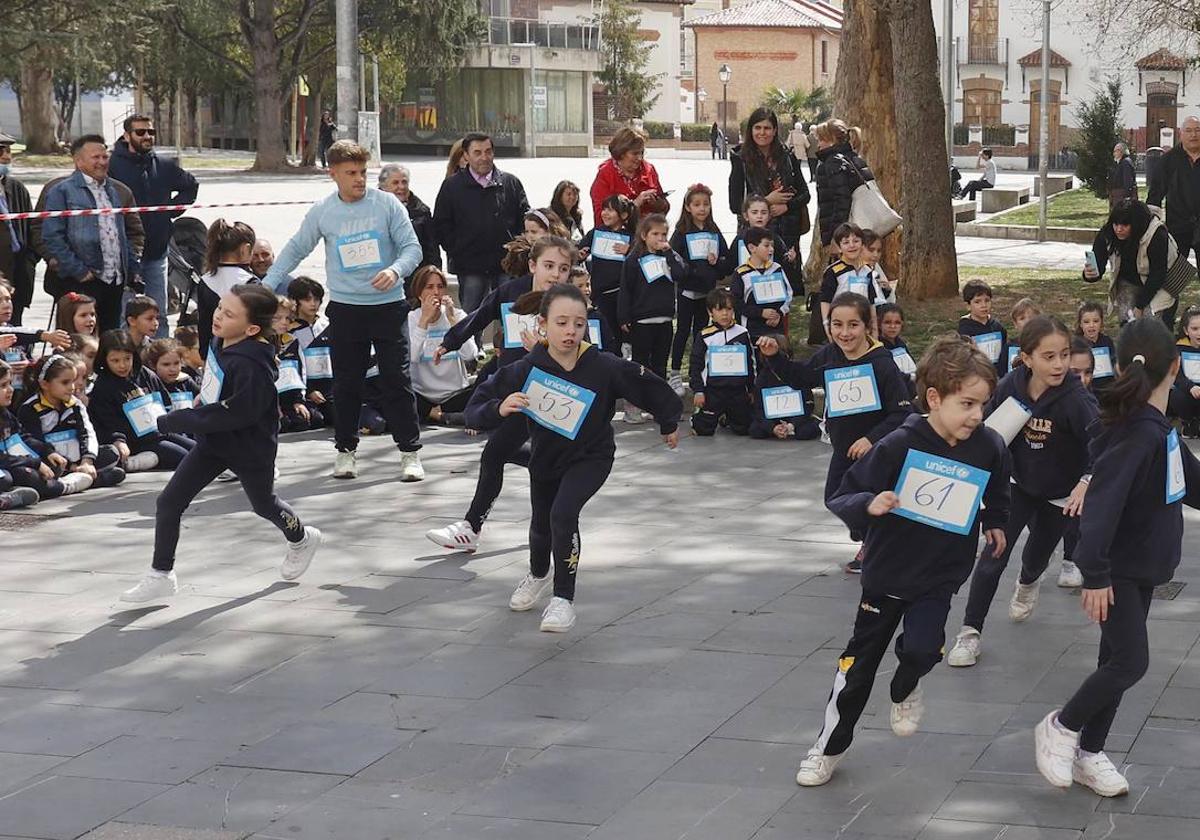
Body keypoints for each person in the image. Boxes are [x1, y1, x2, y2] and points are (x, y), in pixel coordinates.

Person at [796, 336, 1010, 786]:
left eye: (983, 405)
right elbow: (843, 494)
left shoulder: (988, 445)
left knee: (921, 648)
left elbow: (996, 491)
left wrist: (994, 521)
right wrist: (870, 503)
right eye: (967, 403)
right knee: (857, 670)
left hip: (941, 575)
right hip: (887, 574)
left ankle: (906, 684)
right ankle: (827, 747)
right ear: (934, 398)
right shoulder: (898, 444)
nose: (977, 414)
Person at [1034, 317, 1200, 798]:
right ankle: (1061, 727)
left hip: (1142, 565)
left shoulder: (1157, 430)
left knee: (1115, 660)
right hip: (1119, 570)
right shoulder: (1139, 433)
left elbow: (1190, 484)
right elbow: (1101, 506)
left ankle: (1090, 753)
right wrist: (1095, 574)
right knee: (1130, 662)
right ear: (1176, 367)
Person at [464, 283, 681, 632]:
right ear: (543, 324)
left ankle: (563, 599)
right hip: (546, 459)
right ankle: (538, 574)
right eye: (562, 322)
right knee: (540, 526)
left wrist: (668, 421)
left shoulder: (603, 366)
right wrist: (499, 408)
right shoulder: (525, 369)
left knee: (563, 516)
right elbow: (476, 406)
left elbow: (646, 384)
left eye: (578, 324)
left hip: (592, 457)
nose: (570, 331)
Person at [120, 284, 321, 603]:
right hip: (214, 442)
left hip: (250, 447)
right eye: (219, 308)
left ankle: (301, 537)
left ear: (252, 328)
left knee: (264, 504)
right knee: (169, 502)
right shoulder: (219, 338)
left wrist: (180, 420)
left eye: (229, 314)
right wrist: (204, 395)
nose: (218, 317)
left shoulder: (253, 365)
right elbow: (214, 379)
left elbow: (237, 414)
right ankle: (161, 573)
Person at [263, 140, 425, 481]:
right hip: (347, 309)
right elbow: (296, 248)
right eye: (350, 173)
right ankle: (345, 451)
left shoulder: (387, 205)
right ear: (332, 173)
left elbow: (413, 248)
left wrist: (395, 270)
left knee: (397, 379)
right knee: (347, 384)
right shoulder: (324, 211)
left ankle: (409, 452)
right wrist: (265, 285)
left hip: (388, 306)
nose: (359, 179)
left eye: (363, 172)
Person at [946, 316, 1099, 668]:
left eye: (1063, 354)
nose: (1059, 364)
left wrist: (1085, 482)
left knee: (1036, 556)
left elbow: (1101, 446)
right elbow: (983, 424)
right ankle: (970, 632)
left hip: (1059, 493)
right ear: (1027, 358)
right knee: (993, 555)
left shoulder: (1076, 400)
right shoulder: (1011, 384)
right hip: (1014, 484)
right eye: (1049, 356)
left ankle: (1029, 581)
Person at [424, 236, 575, 554]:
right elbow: (479, 317)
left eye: (563, 269)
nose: (555, 274)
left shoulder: (569, 305)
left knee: (495, 454)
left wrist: (546, 352)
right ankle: (548, 494)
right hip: (512, 388)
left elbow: (582, 351)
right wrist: (449, 342)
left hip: (549, 392)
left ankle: (472, 528)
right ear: (533, 265)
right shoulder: (510, 293)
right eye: (549, 266)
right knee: (508, 453)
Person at [757, 293, 913, 573]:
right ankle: (873, 536)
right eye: (837, 325)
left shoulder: (882, 362)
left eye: (853, 325)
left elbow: (901, 413)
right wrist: (774, 357)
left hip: (875, 452)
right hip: (843, 447)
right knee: (835, 499)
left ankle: (873, 546)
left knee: (865, 499)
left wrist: (871, 439)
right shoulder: (831, 354)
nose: (844, 333)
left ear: (867, 326)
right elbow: (802, 376)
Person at [38, 135, 145, 331]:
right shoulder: (61, 191)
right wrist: (79, 271)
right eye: (96, 157)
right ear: (78, 161)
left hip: (114, 280)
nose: (102, 162)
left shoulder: (116, 190)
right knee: (78, 340)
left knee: (110, 337)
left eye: (105, 157)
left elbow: (132, 232)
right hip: (81, 280)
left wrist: (131, 266)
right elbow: (52, 236)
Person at [108, 113, 199, 338]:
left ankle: (160, 357)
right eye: (140, 132)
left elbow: (191, 186)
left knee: (158, 314)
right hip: (123, 255)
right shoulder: (111, 166)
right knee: (124, 315)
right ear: (127, 135)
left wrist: (170, 211)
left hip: (157, 252)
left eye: (151, 131)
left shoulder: (165, 165)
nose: (147, 136)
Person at [433, 132, 530, 325]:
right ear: (466, 156)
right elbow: (441, 224)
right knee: (471, 316)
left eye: (488, 151)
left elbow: (525, 218)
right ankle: (471, 353)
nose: (484, 157)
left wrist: (518, 250)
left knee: (511, 315)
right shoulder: (452, 186)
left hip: (507, 265)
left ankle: (506, 353)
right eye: (477, 152)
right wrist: (457, 249)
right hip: (470, 266)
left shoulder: (510, 182)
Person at [86, 328, 194, 472]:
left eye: (127, 359)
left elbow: (163, 399)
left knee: (197, 450)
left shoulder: (144, 374)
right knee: (183, 458)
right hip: (135, 442)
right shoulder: (103, 386)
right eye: (115, 360)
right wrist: (119, 440)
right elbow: (107, 422)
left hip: (161, 432)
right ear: (105, 359)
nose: (122, 365)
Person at [18, 354, 126, 494]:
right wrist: (72, 466)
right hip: (55, 460)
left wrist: (87, 460)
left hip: (79, 459)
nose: (72, 387)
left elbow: (87, 432)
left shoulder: (75, 405)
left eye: (73, 381)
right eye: (65, 382)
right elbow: (35, 443)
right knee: (45, 468)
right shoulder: (30, 408)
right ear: (45, 384)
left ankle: (79, 479)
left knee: (111, 452)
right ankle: (88, 480)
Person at [617, 213, 687, 421]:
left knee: (659, 366)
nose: (660, 238)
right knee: (640, 366)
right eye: (655, 234)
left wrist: (669, 253)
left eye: (664, 234)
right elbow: (626, 289)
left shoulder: (668, 256)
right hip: (642, 321)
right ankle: (634, 407)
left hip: (664, 320)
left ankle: (660, 408)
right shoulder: (634, 260)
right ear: (644, 235)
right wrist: (624, 317)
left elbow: (681, 274)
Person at [729, 108, 811, 265]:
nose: (762, 133)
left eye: (767, 128)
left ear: (774, 131)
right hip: (756, 236)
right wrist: (766, 201)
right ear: (751, 130)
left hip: (788, 232)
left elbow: (805, 194)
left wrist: (787, 206)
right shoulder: (740, 160)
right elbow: (734, 205)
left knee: (790, 281)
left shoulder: (788, 156)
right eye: (757, 128)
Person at [669, 183, 729, 394]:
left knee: (701, 333)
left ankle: (698, 371)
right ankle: (675, 372)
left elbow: (726, 259)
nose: (702, 208)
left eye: (706, 204)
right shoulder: (681, 232)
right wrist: (689, 271)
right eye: (697, 204)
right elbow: (673, 259)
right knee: (682, 331)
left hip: (707, 292)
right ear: (688, 207)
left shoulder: (714, 231)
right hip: (687, 291)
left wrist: (717, 262)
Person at [1084, 199, 1180, 328]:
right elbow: (1098, 265)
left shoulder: (1157, 234)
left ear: (1136, 224)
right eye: (1116, 224)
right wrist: (1090, 274)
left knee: (1152, 322)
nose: (1118, 229)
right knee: (1128, 320)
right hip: (1128, 280)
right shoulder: (1108, 233)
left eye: (1125, 225)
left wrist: (1140, 305)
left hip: (1164, 280)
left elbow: (1158, 274)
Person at [407, 265, 476, 425]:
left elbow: (470, 355)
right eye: (429, 287)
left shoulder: (457, 315)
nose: (436, 292)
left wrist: (454, 323)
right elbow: (413, 357)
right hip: (421, 395)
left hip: (454, 394)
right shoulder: (411, 318)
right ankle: (436, 413)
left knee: (484, 387)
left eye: (440, 287)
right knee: (394, 389)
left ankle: (433, 414)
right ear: (419, 293)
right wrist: (424, 321)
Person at [690, 288, 754, 436]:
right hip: (713, 391)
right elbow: (696, 365)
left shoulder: (742, 333)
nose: (725, 314)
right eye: (719, 310)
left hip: (737, 390)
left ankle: (728, 418)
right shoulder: (705, 335)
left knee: (745, 428)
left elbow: (751, 363)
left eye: (728, 309)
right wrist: (698, 391)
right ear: (710, 312)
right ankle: (699, 418)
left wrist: (751, 388)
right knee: (702, 430)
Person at [0, 359, 64, 505]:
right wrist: (34, 463)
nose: (10, 390)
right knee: (6, 478)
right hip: (6, 466)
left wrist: (47, 451)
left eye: (10, 383)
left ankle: (14, 493)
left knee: (51, 464)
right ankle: (63, 487)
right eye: (3, 385)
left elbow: (23, 437)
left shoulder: (5, 413)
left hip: (10, 462)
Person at [579, 194, 637, 349]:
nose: (604, 213)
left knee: (625, 335)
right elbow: (579, 252)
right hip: (600, 295)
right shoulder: (596, 232)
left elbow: (642, 259)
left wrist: (630, 250)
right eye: (604, 209)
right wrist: (580, 254)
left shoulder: (632, 236)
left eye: (610, 210)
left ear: (624, 215)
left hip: (622, 295)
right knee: (606, 335)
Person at [1147, 115, 1200, 272]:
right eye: (1189, 131)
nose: (1193, 135)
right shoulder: (1168, 160)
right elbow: (1155, 194)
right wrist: (1151, 225)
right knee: (1174, 279)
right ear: (1181, 134)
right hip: (1177, 227)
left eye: (1198, 130)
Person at [813, 119, 875, 253]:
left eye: (821, 140)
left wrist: (837, 238)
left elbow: (841, 201)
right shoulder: (854, 157)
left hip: (847, 237)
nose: (818, 145)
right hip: (863, 230)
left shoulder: (833, 162)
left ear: (832, 140)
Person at [197, 220, 257, 355]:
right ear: (245, 249)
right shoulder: (250, 282)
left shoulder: (205, 280)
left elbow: (204, 324)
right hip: (245, 352)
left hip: (214, 353)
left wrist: (204, 354)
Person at [589, 127, 669, 228]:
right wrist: (635, 205)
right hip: (617, 236)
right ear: (621, 153)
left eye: (642, 153)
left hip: (647, 234)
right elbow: (602, 218)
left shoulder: (649, 170)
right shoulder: (605, 175)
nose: (639, 158)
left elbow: (664, 208)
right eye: (635, 153)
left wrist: (657, 203)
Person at [378, 163, 440, 289]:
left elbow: (431, 248)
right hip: (382, 278)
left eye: (404, 182)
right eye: (395, 183)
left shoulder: (421, 211)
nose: (401, 187)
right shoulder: (371, 210)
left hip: (414, 279)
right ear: (383, 187)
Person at [749, 332, 820, 441]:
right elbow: (758, 408)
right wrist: (772, 427)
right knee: (755, 430)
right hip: (773, 418)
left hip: (796, 417)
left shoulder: (795, 373)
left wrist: (792, 425)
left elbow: (808, 404)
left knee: (805, 432)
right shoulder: (763, 377)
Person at [730, 226, 793, 341]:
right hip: (751, 330)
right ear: (752, 248)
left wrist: (779, 313)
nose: (771, 249)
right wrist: (760, 313)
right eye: (766, 245)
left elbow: (788, 295)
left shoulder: (777, 268)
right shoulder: (741, 273)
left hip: (776, 329)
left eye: (772, 245)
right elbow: (736, 303)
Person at [0, 133, 36, 325]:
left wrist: (30, 260)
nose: (6, 156)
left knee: (16, 330)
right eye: (0, 151)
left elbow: (33, 228)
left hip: (18, 274)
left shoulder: (16, 188)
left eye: (8, 151)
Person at [957, 279, 1008, 379]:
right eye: (977, 302)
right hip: (976, 374)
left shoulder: (998, 327)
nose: (983, 305)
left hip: (997, 374)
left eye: (987, 300)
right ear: (968, 306)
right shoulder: (965, 329)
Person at [144, 338, 200, 412]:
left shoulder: (185, 382)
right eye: (166, 365)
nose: (173, 369)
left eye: (176, 363)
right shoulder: (149, 386)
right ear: (153, 365)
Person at [1169, 305, 1200, 436]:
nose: (1199, 332)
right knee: (1177, 395)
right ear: (1186, 331)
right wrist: (1190, 387)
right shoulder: (1179, 348)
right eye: (1195, 329)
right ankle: (1188, 423)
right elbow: (1176, 374)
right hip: (1188, 391)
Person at [1076, 301, 1115, 386]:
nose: (1091, 325)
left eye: (1096, 321)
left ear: (1101, 322)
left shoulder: (1107, 342)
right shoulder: (1076, 344)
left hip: (1106, 387)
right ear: (1080, 324)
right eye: (1086, 322)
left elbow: (1114, 364)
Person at [1107, 143, 1138, 208]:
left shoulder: (1126, 162)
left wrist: (1127, 196)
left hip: (1122, 195)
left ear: (1120, 151)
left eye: (1115, 151)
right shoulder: (1120, 162)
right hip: (1117, 195)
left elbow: (1127, 180)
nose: (1114, 154)